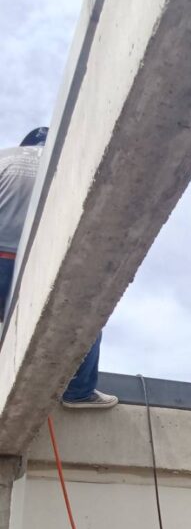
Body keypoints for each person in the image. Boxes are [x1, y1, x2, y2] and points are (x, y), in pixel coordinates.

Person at [0, 128, 117, 410]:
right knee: (86, 317)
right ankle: (79, 391)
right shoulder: (67, 167)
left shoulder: (4, 158)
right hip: (37, 266)